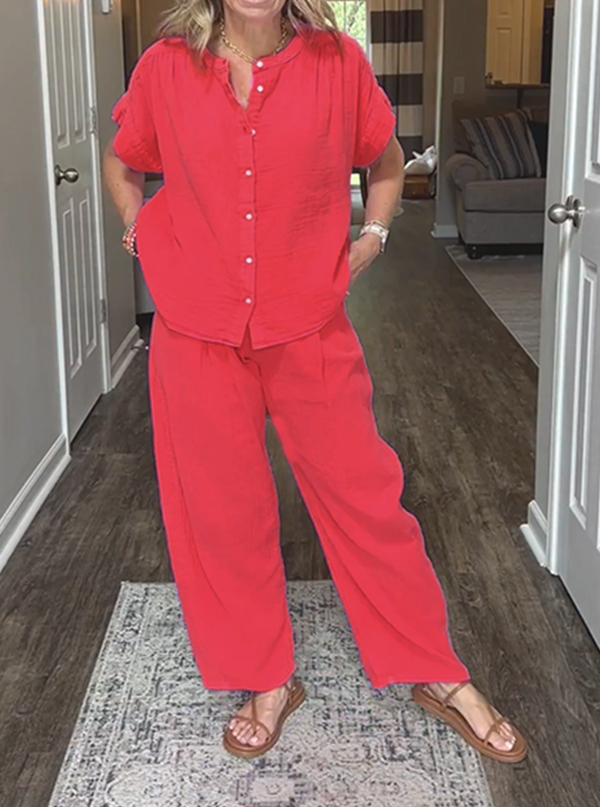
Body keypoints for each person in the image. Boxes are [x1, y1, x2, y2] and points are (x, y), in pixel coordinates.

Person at [103, 0, 527, 765]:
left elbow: (386, 161)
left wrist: (375, 234)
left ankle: (435, 668)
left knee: (365, 497)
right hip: (197, 328)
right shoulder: (165, 68)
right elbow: (122, 159)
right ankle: (266, 677)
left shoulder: (337, 64)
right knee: (222, 513)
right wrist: (139, 229)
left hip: (307, 325)